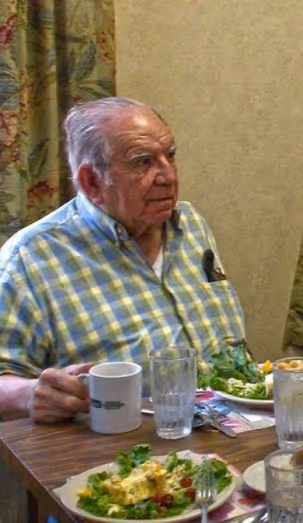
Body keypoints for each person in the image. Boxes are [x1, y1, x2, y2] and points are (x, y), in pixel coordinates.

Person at [0, 97, 246, 423]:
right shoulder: (30, 259)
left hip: (233, 428)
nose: (168, 176)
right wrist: (30, 395)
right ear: (91, 182)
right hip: (122, 455)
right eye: (143, 162)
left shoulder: (190, 223)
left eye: (169, 156)